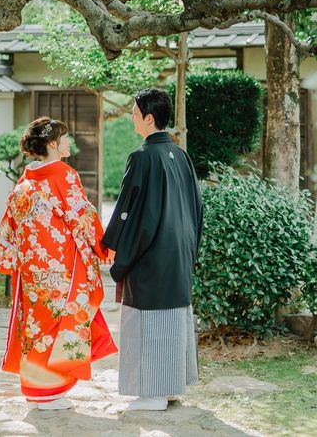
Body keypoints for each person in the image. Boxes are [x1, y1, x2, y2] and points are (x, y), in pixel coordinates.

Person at [0, 117, 117, 410]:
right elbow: (83, 216)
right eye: (65, 138)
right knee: (57, 325)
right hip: (59, 268)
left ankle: (36, 390)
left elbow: (11, 223)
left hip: (31, 269)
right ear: (52, 144)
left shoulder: (26, 179)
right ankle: (48, 393)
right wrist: (105, 247)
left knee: (35, 326)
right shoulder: (63, 174)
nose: (69, 143)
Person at [102, 88, 204, 411]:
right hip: (179, 253)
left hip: (153, 255)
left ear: (149, 118)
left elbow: (128, 210)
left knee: (149, 323)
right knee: (172, 321)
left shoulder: (143, 157)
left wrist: (113, 244)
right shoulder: (180, 155)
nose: (131, 117)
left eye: (134, 112)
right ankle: (170, 388)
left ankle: (153, 394)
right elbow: (197, 207)